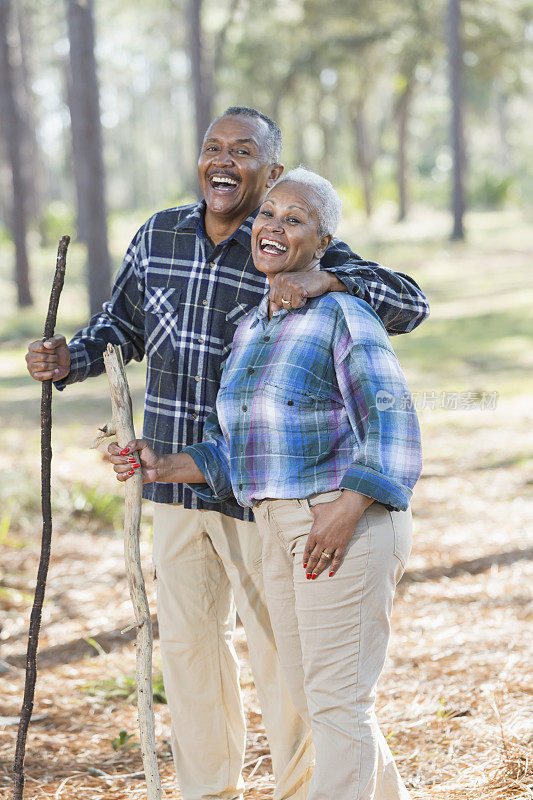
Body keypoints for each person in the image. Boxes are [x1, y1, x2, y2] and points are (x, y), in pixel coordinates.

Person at [26, 109, 428, 800]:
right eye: (213, 147)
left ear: (270, 168)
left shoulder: (288, 236)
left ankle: (311, 790)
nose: (223, 160)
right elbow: (118, 326)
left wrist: (331, 281)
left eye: (242, 151)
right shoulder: (161, 235)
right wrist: (70, 358)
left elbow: (407, 303)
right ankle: (209, 792)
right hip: (186, 477)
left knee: (289, 664)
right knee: (188, 651)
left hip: (269, 493)